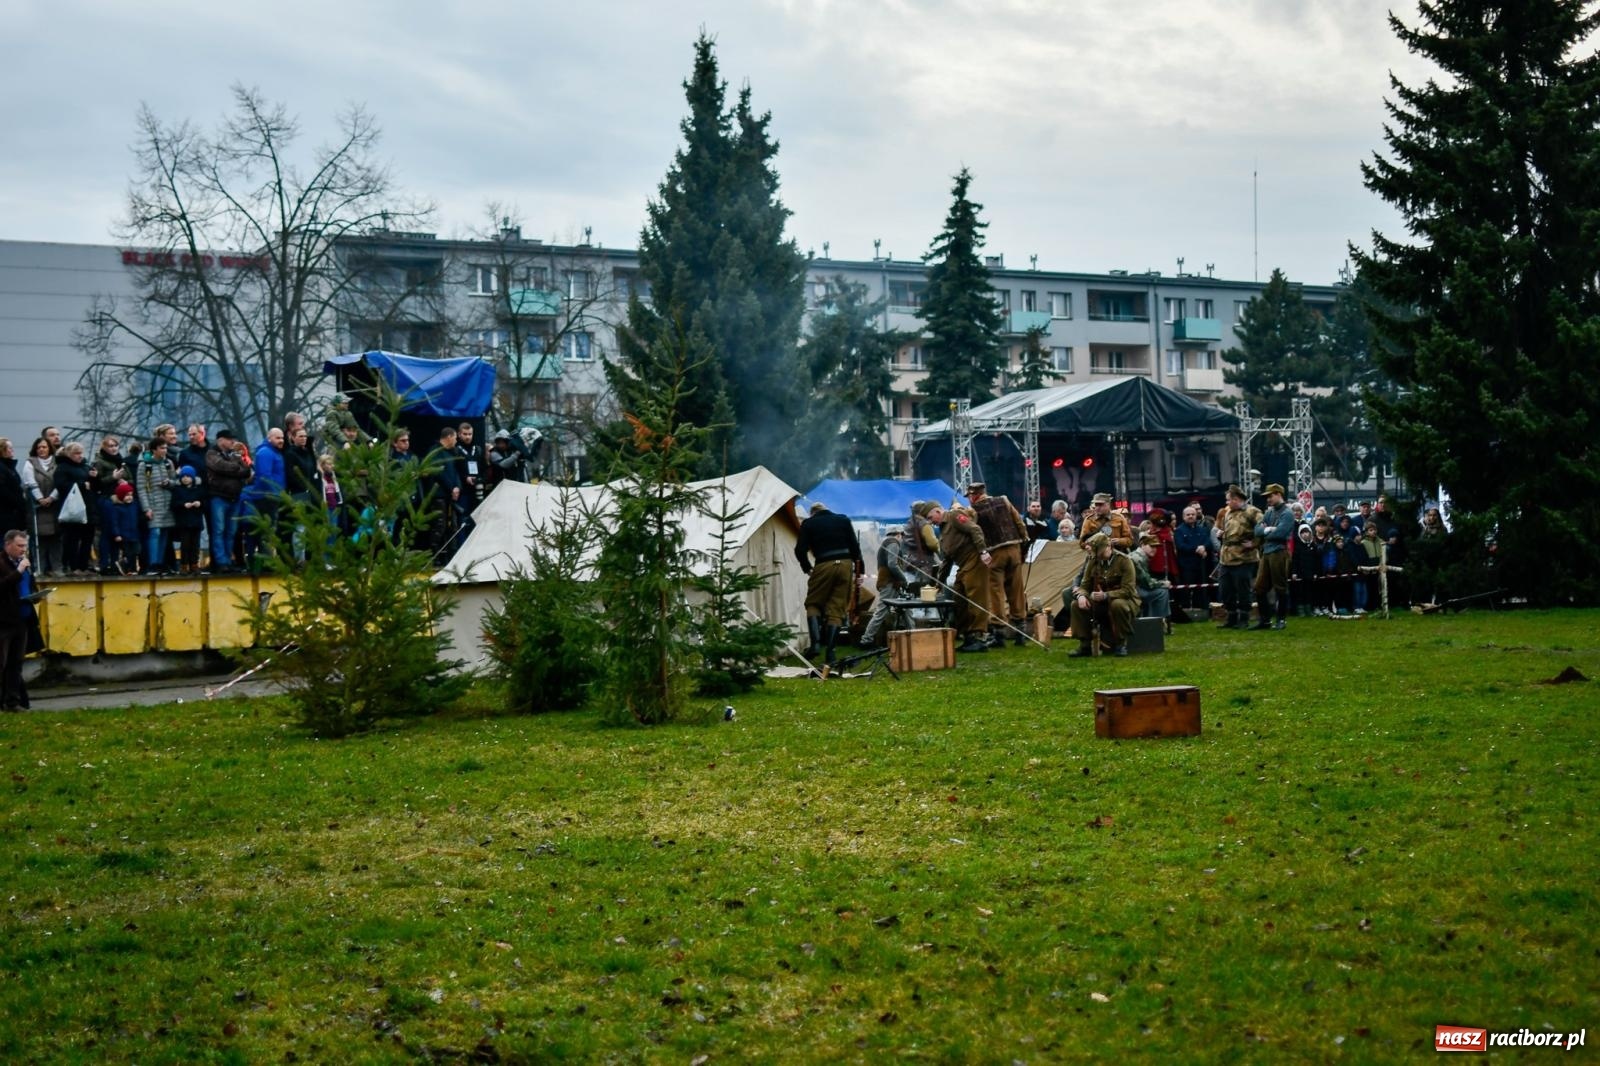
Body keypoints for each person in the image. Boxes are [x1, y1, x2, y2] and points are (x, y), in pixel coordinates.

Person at [793, 501, 863, 666]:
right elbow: (855, 548)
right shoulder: (843, 519)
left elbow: (799, 550)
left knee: (813, 603)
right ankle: (830, 653)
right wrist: (860, 572)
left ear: (813, 513)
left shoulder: (808, 523)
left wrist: (807, 568)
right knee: (836, 609)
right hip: (846, 564)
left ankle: (815, 644)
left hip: (824, 563)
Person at [968, 482, 1029, 646]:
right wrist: (1024, 543)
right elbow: (1019, 523)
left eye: (970, 497)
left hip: (994, 553)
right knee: (1016, 590)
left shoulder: (974, 511)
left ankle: (999, 634)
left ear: (974, 495)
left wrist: (981, 552)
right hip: (1014, 549)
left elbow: (975, 534)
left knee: (996, 593)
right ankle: (1021, 631)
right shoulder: (1004, 500)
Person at [1067, 532, 1138, 657]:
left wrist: (1106, 595)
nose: (1098, 556)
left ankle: (1121, 644)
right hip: (1100, 601)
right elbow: (1085, 584)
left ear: (1108, 547)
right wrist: (1081, 596)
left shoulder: (1124, 561)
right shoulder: (1093, 561)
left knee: (1117, 605)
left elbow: (1128, 590)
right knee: (1076, 605)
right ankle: (1084, 645)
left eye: (1100, 552)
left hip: (1124, 600)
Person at [938, 498, 994, 653]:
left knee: (977, 599)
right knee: (958, 598)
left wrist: (983, 551)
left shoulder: (954, 516)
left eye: (930, 518)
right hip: (963, 566)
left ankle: (979, 637)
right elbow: (947, 560)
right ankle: (968, 636)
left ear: (936, 512)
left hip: (975, 560)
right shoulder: (943, 532)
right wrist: (938, 583)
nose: (930, 522)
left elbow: (975, 529)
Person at [1214, 484, 1262, 629]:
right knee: (1225, 589)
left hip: (1243, 558)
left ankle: (1244, 618)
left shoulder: (1253, 511)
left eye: (1228, 500)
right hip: (1226, 558)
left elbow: (1262, 529)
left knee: (1243, 590)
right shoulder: (1228, 512)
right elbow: (1228, 529)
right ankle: (1231, 617)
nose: (1226, 503)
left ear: (1236, 499)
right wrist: (1222, 534)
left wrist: (1254, 544)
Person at [857, 524, 912, 649]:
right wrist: (904, 579)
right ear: (898, 534)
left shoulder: (886, 543)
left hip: (892, 583)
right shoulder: (893, 543)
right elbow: (892, 564)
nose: (902, 538)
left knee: (907, 607)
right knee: (881, 612)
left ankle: (913, 634)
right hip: (889, 583)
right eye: (902, 535)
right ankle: (866, 640)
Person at [205, 430, 252, 573]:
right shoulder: (211, 453)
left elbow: (247, 470)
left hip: (234, 497)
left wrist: (235, 468)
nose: (233, 442)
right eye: (229, 439)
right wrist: (237, 469)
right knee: (219, 530)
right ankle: (221, 561)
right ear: (220, 440)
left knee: (231, 531)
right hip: (218, 497)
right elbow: (220, 466)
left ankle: (228, 559)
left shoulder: (234, 454)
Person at [1251, 483, 1295, 630]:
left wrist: (1266, 530)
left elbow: (1281, 533)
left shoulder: (1287, 513)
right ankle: (1265, 620)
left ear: (1278, 494)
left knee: (1280, 587)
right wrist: (1269, 529)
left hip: (1279, 552)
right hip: (1267, 552)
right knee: (1259, 588)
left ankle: (1281, 620)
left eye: (1270, 496)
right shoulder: (1269, 513)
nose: (1268, 499)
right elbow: (1257, 530)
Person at [1, 530, 34, 710]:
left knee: (16, 663)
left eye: (25, 546)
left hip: (22, 619)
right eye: (19, 546)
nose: (23, 550)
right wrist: (19, 571)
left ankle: (13, 701)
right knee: (2, 663)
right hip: (4, 620)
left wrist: (35, 596)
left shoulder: (24, 563)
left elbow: (27, 585)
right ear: (7, 545)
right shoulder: (3, 563)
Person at [137, 437, 177, 575]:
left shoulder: (168, 463)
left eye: (165, 448)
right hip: (153, 504)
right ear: (154, 449)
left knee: (165, 532)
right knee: (155, 532)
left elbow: (175, 482)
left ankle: (160, 563)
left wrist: (169, 483)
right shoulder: (145, 465)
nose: (164, 451)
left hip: (167, 503)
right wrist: (146, 508)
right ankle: (152, 564)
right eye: (162, 448)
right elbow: (141, 488)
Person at [22, 437, 60, 575]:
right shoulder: (30, 463)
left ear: (49, 448)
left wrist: (52, 497)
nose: (41, 450)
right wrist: (40, 498)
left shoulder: (57, 462)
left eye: (44, 447)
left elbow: (60, 482)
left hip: (55, 505)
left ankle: (56, 568)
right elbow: (30, 482)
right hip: (37, 507)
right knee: (39, 539)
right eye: (39, 447)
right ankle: (39, 568)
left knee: (56, 538)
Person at [1173, 503, 1212, 612]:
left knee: (1200, 589)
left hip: (1200, 565)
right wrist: (1197, 549)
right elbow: (1181, 546)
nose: (1190, 516)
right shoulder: (1179, 531)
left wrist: (1204, 547)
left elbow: (1208, 541)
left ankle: (1200, 609)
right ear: (1183, 516)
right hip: (1186, 566)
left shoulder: (1201, 529)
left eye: (1193, 514)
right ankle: (1186, 610)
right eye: (1188, 514)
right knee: (1186, 589)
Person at [1132, 533, 1173, 630]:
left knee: (1161, 590)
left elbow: (1146, 579)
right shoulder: (1138, 559)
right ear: (1142, 545)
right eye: (1151, 546)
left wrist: (1160, 583)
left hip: (1136, 588)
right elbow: (1147, 583)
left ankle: (1157, 621)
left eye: (1156, 546)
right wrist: (1163, 583)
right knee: (1162, 592)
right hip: (1133, 591)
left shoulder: (1138, 556)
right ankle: (1157, 622)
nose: (1154, 549)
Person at [168, 468, 206, 574]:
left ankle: (194, 564)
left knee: (195, 544)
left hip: (196, 522)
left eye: (188, 476)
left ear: (192, 478)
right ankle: (184, 565)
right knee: (185, 545)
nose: (185, 479)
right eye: (183, 477)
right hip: (183, 522)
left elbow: (205, 503)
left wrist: (200, 504)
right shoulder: (178, 490)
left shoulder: (198, 489)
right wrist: (183, 505)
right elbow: (173, 504)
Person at [105, 481, 141, 575]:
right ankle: (127, 568)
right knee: (127, 553)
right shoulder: (117, 508)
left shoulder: (134, 505)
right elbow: (114, 522)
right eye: (127, 495)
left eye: (131, 495)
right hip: (123, 535)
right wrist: (116, 534)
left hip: (134, 534)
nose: (129, 497)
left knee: (135, 552)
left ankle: (133, 569)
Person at [455, 422, 485, 512]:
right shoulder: (456, 450)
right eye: (465, 434)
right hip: (462, 490)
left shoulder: (478, 450)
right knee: (463, 517)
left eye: (470, 434)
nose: (468, 437)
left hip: (477, 489)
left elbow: (484, 468)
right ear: (459, 434)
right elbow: (454, 471)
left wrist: (481, 479)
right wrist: (465, 478)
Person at [0, 440, 27, 541]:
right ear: (3, 450)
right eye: (10, 448)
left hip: (12, 514)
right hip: (6, 514)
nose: (12, 450)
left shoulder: (9, 467)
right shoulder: (3, 468)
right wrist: (18, 501)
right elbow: (3, 490)